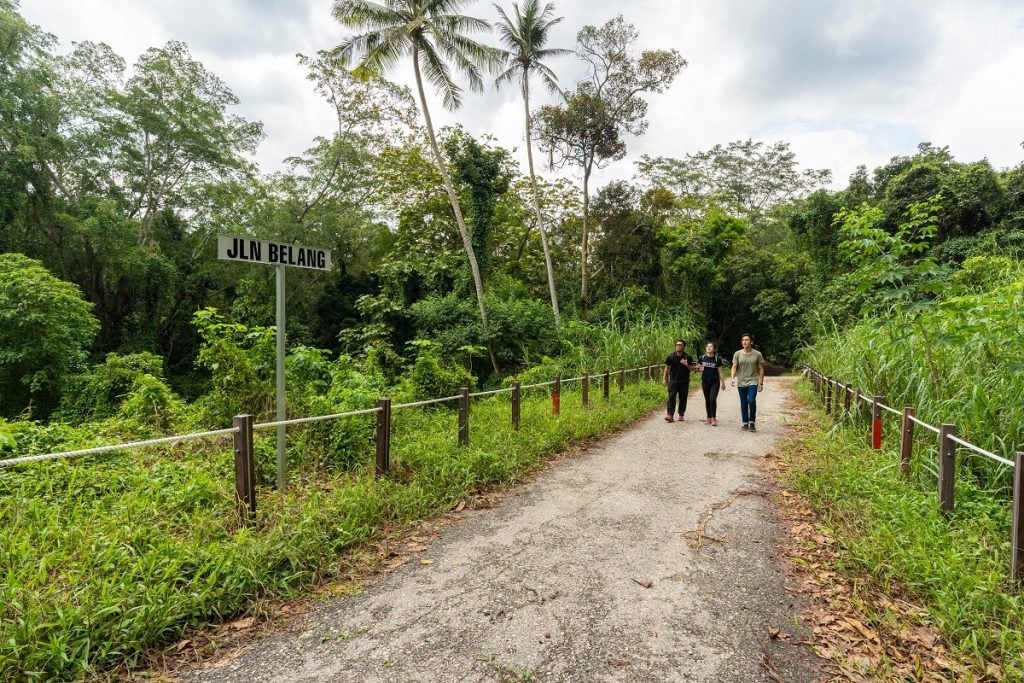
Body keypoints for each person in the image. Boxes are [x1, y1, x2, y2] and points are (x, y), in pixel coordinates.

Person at [730, 333, 765, 432]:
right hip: (741, 381)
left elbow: (761, 369)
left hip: (753, 380)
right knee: (744, 402)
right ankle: (745, 423)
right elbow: (734, 367)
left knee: (751, 400)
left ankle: (752, 423)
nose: (744, 342)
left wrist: (761, 383)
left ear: (751, 342)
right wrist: (733, 378)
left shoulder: (757, 354)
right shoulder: (737, 354)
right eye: (743, 340)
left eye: (747, 340)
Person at [663, 339, 695, 422]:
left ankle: (681, 414)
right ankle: (670, 415)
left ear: (683, 347)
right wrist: (665, 379)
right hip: (673, 380)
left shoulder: (688, 357)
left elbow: (692, 369)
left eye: (680, 345)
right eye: (677, 344)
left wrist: (686, 364)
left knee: (683, 398)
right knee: (671, 397)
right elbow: (666, 368)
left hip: (684, 381)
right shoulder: (671, 356)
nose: (678, 346)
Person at [697, 342, 726, 426]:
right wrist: (699, 369)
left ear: (714, 349)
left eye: (711, 346)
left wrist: (723, 383)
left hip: (715, 382)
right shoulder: (701, 358)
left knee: (712, 399)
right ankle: (708, 417)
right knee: (707, 399)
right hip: (705, 381)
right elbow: (697, 368)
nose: (709, 348)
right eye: (707, 346)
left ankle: (713, 418)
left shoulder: (717, 359)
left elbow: (720, 372)